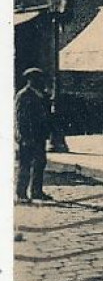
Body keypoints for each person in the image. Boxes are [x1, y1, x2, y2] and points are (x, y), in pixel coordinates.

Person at [15, 68, 52, 203]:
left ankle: (37, 191)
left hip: (39, 135)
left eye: (41, 78)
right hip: (28, 136)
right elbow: (20, 118)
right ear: (30, 80)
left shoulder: (41, 95)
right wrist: (23, 136)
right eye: (37, 79)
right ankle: (21, 192)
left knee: (40, 163)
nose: (40, 81)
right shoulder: (23, 95)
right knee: (25, 164)